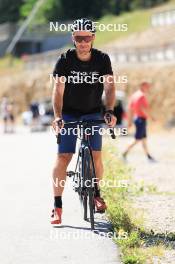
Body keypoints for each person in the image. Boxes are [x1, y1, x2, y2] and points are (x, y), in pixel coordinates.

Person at [51, 18, 117, 225]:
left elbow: (109, 87)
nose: (83, 42)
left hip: (92, 112)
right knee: (63, 157)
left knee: (96, 154)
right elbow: (58, 90)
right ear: (73, 38)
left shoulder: (102, 59)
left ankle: (97, 194)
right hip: (69, 113)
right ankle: (57, 206)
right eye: (79, 38)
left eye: (87, 37)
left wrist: (110, 111)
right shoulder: (64, 60)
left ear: (93, 38)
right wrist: (58, 117)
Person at [123, 82, 155, 161]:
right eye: (147, 87)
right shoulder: (142, 96)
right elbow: (143, 109)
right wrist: (151, 117)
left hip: (137, 118)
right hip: (141, 119)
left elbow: (130, 109)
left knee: (144, 138)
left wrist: (129, 121)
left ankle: (148, 155)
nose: (148, 88)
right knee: (137, 139)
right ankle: (124, 152)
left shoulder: (134, 95)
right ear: (142, 86)